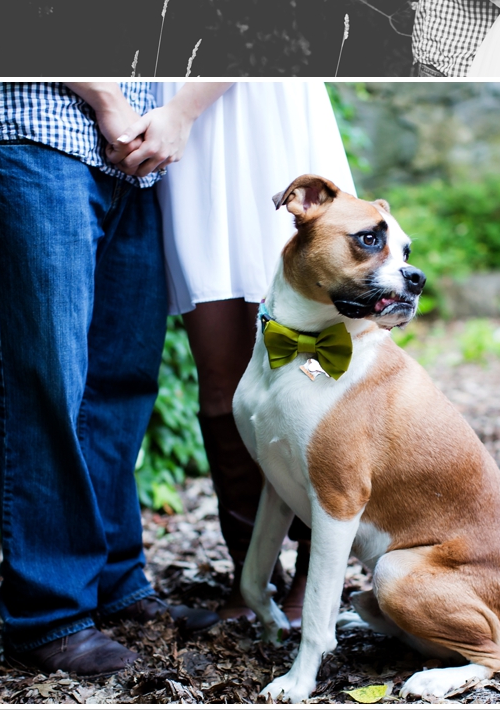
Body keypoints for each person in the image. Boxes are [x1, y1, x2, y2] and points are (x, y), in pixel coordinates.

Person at [0, 82, 219, 676]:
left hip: (133, 157)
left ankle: (115, 579)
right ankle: (50, 614)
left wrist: (166, 118)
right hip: (33, 125)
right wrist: (103, 97)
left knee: (121, 381)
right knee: (47, 382)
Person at [111, 81, 356, 625]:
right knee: (222, 380)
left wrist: (182, 110)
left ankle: (318, 573)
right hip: (188, 143)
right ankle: (252, 574)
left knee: (315, 364)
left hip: (263, 107)